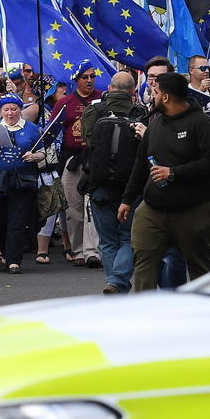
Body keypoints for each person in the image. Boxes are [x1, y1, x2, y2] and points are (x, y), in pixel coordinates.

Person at [120, 72, 210, 292]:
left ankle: (203, 315)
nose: (152, 97)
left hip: (194, 208)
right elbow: (140, 164)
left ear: (166, 97)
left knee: (199, 267)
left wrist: (174, 173)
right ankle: (145, 312)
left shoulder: (201, 123)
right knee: (143, 257)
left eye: (155, 93)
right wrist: (127, 200)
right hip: (154, 208)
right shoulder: (155, 124)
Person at [80, 72, 147, 293]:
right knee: (128, 237)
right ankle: (118, 281)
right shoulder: (140, 113)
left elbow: (89, 142)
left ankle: (114, 281)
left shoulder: (94, 110)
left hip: (99, 184)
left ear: (109, 88)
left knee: (107, 241)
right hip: (131, 186)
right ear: (132, 92)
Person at [0, 95, 45, 274]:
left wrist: (34, 156)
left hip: (22, 182)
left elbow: (43, 152)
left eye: (13, 109)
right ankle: (5, 254)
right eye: (6, 109)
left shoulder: (32, 129)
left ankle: (14, 260)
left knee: (17, 221)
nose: (10, 113)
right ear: (1, 111)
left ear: (20, 110)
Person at [50, 62, 103, 268]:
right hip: (72, 161)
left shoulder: (101, 99)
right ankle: (78, 250)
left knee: (94, 206)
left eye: (92, 76)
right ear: (76, 79)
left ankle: (93, 252)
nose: (89, 80)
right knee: (73, 209)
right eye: (84, 77)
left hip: (96, 160)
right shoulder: (65, 103)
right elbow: (52, 133)